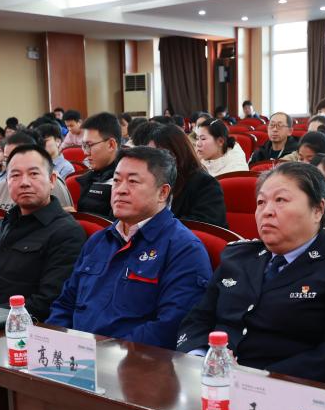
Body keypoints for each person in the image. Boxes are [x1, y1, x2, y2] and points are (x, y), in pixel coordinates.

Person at [177, 162, 325, 383]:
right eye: (261, 202)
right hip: (212, 381)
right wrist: (201, 359)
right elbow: (198, 318)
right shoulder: (237, 257)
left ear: (318, 210)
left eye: (280, 200)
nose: (267, 211)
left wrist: (256, 380)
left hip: (289, 391)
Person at [48, 146, 212, 349]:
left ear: (162, 193)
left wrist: (106, 354)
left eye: (133, 182)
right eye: (117, 180)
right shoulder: (98, 240)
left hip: (134, 362)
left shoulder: (183, 249)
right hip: (76, 358)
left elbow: (170, 327)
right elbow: (65, 304)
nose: (120, 189)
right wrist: (57, 344)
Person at [0, 144, 85, 318]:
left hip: (21, 328)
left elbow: (47, 301)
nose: (24, 183)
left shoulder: (67, 232)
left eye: (33, 174)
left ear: (52, 180)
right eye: (15, 175)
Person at [138, 122, 227, 227]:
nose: (152, 162)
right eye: (150, 156)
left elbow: (203, 226)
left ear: (178, 152)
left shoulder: (205, 184)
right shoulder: (152, 181)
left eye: (159, 155)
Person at [0, 131, 74, 212]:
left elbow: (63, 216)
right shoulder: (5, 183)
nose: (11, 163)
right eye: (7, 159)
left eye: (16, 156)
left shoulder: (50, 182)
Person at [75, 112, 122, 218]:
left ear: (111, 145)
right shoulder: (93, 175)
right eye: (84, 145)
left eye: (89, 145)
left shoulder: (126, 183)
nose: (85, 152)